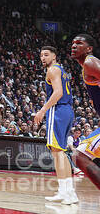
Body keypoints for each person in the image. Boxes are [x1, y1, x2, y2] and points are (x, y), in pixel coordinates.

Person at [34, 46, 78, 204]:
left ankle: (67, 193)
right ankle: (67, 191)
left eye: (46, 54)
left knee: (57, 152)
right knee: (60, 151)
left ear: (54, 56)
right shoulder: (62, 70)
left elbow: (58, 92)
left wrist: (42, 111)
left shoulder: (52, 70)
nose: (43, 58)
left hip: (58, 110)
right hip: (67, 110)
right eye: (41, 55)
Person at [70, 34, 100, 190]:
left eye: (79, 43)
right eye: (73, 43)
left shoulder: (89, 62)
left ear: (89, 49)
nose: (74, 46)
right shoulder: (88, 66)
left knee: (79, 156)